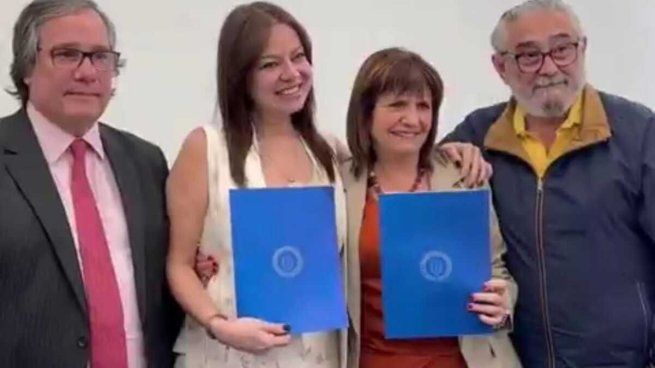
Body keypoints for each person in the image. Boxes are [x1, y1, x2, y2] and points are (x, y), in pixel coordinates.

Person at [442, 0, 655, 366]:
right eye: (529, 55)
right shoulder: (478, 135)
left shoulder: (639, 133)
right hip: (517, 358)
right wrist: (446, 157)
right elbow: (414, 193)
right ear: (500, 66)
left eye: (562, 49)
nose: (549, 67)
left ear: (582, 49)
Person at [0, 0, 182, 367]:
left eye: (100, 57)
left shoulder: (146, 162)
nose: (87, 72)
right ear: (26, 68)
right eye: (67, 55)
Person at [166, 2, 347, 367]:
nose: (292, 73)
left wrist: (453, 152)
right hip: (227, 352)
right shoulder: (206, 148)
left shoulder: (331, 152)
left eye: (298, 57)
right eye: (269, 64)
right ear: (240, 76)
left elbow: (399, 170)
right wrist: (219, 324)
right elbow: (179, 265)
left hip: (317, 355)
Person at [342, 47, 521, 368]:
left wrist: (503, 301)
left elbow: (496, 269)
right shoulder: (339, 184)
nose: (413, 119)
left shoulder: (466, 176)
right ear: (366, 113)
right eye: (397, 105)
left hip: (464, 360)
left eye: (423, 106)